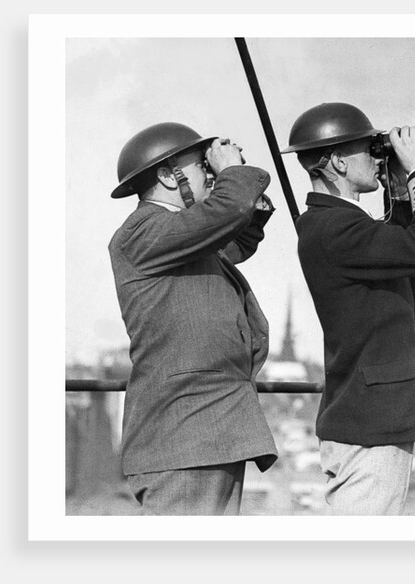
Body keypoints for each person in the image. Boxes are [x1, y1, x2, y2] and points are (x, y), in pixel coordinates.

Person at [282, 103, 415, 515]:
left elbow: (397, 252)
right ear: (339, 162)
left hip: (368, 417)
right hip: (370, 427)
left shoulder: (334, 225)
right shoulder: (334, 229)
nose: (378, 157)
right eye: (370, 149)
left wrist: (399, 190)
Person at [108, 122, 278, 515]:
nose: (209, 171)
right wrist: (234, 176)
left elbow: (234, 239)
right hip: (185, 436)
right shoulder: (142, 231)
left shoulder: (179, 238)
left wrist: (230, 180)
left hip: (210, 431)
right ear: (169, 176)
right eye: (201, 165)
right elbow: (226, 215)